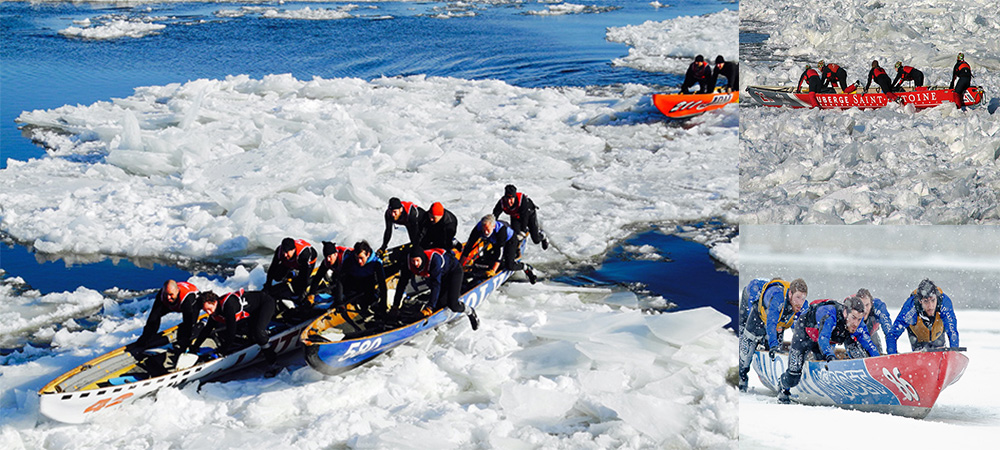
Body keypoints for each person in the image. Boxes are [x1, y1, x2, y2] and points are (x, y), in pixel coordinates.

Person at [777, 296, 867, 403]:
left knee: (825, 369)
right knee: (794, 376)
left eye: (859, 319)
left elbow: (863, 344)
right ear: (845, 313)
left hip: (819, 338)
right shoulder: (830, 315)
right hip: (804, 336)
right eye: (853, 318)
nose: (856, 323)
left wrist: (868, 361)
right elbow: (823, 338)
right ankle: (783, 386)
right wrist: (830, 355)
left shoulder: (852, 321)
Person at [737, 278, 809, 392]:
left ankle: (781, 381)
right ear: (790, 293)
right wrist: (773, 344)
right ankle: (742, 377)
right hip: (759, 319)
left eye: (803, 298)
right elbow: (771, 323)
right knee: (746, 353)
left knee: (776, 355)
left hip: (779, 325)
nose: (800, 302)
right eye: (798, 297)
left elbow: (801, 328)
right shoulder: (778, 298)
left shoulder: (803, 306)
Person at [393, 246, 479, 329]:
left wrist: (429, 307)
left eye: (417, 261)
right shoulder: (408, 264)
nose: (415, 264)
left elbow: (436, 285)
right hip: (439, 275)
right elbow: (401, 284)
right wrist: (395, 305)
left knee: (453, 305)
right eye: (413, 261)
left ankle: (470, 311)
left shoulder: (434, 260)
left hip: (453, 271)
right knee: (440, 305)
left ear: (422, 258)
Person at [192, 289, 278, 364]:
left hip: (265, 303)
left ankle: (272, 361)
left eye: (209, 309)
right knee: (251, 337)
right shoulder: (215, 311)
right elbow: (207, 329)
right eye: (205, 310)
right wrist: (195, 346)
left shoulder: (228, 306)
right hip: (252, 311)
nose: (209, 313)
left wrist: (222, 351)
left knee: (258, 334)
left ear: (214, 302)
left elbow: (231, 332)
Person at [885, 279, 959, 354]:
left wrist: (954, 353)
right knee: (921, 359)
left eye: (933, 300)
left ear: (936, 297)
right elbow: (892, 335)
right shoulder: (911, 308)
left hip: (938, 335)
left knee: (938, 350)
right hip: (918, 337)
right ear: (920, 301)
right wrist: (892, 356)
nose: (930, 306)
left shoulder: (945, 304)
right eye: (926, 301)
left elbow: (952, 331)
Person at [460, 214, 537, 284]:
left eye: (487, 229)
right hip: (494, 240)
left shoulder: (501, 231)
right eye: (483, 230)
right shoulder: (478, 228)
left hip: (510, 241)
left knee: (509, 265)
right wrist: (460, 266)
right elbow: (468, 247)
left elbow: (499, 252)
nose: (485, 232)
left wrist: (493, 271)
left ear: (493, 227)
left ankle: (526, 267)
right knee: (484, 260)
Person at [133, 280, 201, 353]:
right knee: (155, 318)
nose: (168, 297)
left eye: (171, 294)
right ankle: (147, 339)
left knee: (189, 325)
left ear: (177, 291)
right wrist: (145, 337)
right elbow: (153, 317)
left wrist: (184, 342)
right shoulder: (162, 295)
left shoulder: (187, 299)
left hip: (194, 303)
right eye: (166, 294)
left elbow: (188, 323)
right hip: (175, 304)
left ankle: (200, 326)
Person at [335, 240, 390, 321]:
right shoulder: (349, 260)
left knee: (370, 298)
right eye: (357, 258)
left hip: (367, 282)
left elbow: (382, 284)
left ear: (367, 255)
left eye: (361, 258)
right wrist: (339, 301)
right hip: (352, 282)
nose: (359, 261)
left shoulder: (376, 262)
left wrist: (383, 303)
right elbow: (340, 281)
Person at [491, 184, 548, 250]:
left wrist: (522, 231)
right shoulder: (502, 202)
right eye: (507, 198)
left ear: (514, 197)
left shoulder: (522, 200)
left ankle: (543, 235)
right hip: (515, 217)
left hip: (529, 216)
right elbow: (495, 215)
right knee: (514, 236)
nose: (509, 201)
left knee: (536, 240)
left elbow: (525, 217)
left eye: (511, 198)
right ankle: (515, 251)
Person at [263, 237, 317, 305]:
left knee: (299, 285)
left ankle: (298, 275)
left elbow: (304, 277)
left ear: (293, 250)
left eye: (287, 252)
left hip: (306, 263)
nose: (285, 254)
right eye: (284, 251)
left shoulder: (303, 255)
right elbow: (272, 267)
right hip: (291, 262)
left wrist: (302, 294)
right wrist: (268, 284)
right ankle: (291, 272)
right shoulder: (279, 251)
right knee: (277, 276)